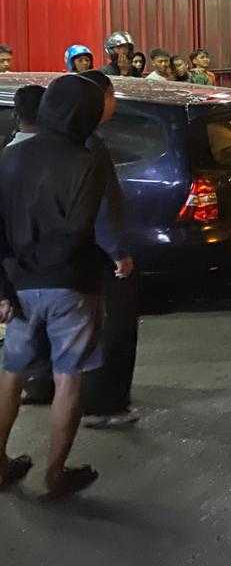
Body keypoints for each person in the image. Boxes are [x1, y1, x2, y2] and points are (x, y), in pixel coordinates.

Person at [0, 74, 132, 499]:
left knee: (11, 372)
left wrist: (5, 288)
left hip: (19, 284)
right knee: (68, 379)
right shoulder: (87, 159)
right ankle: (55, 475)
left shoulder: (12, 156)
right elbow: (82, 226)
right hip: (71, 284)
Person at [75, 71, 140, 429]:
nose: (114, 103)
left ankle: (55, 387)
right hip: (101, 251)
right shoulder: (92, 145)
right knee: (115, 324)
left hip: (70, 253)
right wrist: (118, 251)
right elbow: (101, 204)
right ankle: (104, 403)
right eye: (112, 96)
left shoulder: (60, 140)